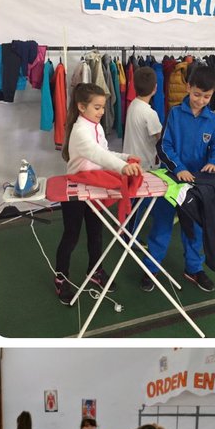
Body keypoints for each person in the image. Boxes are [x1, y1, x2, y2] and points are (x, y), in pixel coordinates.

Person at [54, 83, 143, 303]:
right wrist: (121, 167)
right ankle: (61, 278)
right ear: (81, 107)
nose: (102, 112)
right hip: (75, 191)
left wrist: (124, 157)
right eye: (97, 107)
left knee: (96, 232)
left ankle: (95, 271)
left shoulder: (96, 126)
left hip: (94, 188)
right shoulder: (79, 130)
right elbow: (95, 154)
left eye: (103, 107)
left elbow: (104, 152)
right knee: (71, 235)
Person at [145, 64, 215, 293]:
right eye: (197, 94)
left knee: (195, 229)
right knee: (161, 227)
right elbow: (165, 146)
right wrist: (179, 168)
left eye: (207, 96)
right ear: (188, 87)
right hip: (171, 181)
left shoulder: (212, 120)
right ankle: (151, 268)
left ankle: (193, 268)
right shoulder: (174, 113)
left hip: (197, 185)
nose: (201, 100)